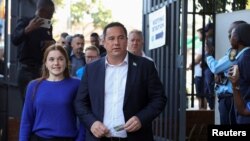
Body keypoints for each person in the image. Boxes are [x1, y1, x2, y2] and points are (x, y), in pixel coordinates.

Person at [74, 22, 167, 141]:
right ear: (103, 42)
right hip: (99, 138)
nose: (116, 43)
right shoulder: (92, 69)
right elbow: (80, 102)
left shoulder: (145, 66)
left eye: (121, 38)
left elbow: (159, 99)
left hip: (136, 137)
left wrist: (141, 118)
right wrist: (92, 123)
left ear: (126, 40)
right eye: (111, 38)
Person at [19, 44, 85, 141]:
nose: (56, 63)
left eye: (60, 59)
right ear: (45, 63)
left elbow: (84, 118)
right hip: (39, 138)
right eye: (51, 59)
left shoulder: (77, 84)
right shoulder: (34, 85)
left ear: (66, 62)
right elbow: (26, 120)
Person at [11, 0, 55, 103]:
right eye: (50, 14)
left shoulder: (48, 26)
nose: (51, 17)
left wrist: (52, 43)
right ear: (42, 11)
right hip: (27, 70)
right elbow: (14, 39)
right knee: (28, 103)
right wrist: (28, 29)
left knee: (41, 103)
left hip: (42, 70)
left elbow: (50, 44)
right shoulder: (25, 21)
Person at [205, 20, 247, 124]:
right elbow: (221, 68)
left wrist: (208, 55)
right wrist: (219, 72)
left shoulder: (237, 51)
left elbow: (216, 67)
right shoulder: (234, 50)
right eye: (229, 34)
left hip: (230, 98)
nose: (230, 37)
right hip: (227, 97)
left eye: (232, 33)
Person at [228, 23, 250, 124]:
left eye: (231, 35)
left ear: (237, 38)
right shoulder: (243, 56)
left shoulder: (246, 57)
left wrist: (235, 85)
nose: (229, 38)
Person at [187, 28, 207, 110]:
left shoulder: (204, 46)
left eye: (199, 34)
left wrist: (190, 65)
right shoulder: (205, 45)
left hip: (200, 74)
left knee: (200, 96)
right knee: (202, 96)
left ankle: (202, 111)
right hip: (200, 73)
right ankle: (203, 111)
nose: (198, 36)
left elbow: (197, 59)